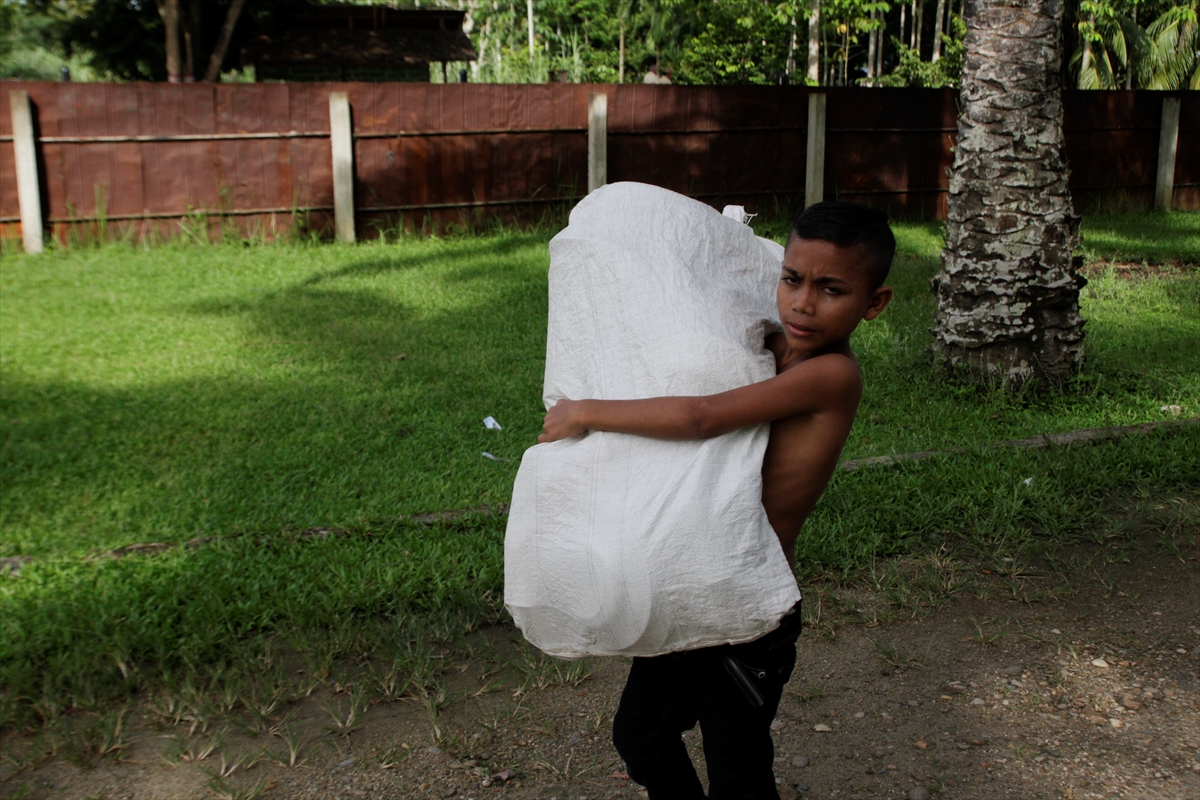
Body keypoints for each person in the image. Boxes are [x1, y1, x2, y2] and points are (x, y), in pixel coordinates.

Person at [537, 201, 896, 799]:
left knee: (739, 772)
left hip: (748, 612)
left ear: (874, 303)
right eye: (792, 279)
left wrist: (585, 412)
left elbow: (702, 417)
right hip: (692, 588)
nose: (804, 303)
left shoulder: (832, 375)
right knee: (641, 736)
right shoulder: (770, 341)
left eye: (831, 289)